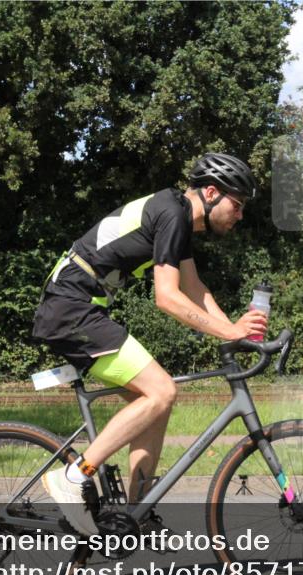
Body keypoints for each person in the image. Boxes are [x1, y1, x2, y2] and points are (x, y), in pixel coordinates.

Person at [32, 152, 268, 535]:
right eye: (236, 205)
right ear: (211, 193)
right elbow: (168, 297)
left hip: (79, 309)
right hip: (70, 310)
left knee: (153, 405)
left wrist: (235, 332)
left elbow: (194, 289)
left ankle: (135, 511)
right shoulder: (172, 213)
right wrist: (230, 332)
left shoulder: (176, 217)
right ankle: (74, 477)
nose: (239, 215)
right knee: (162, 390)